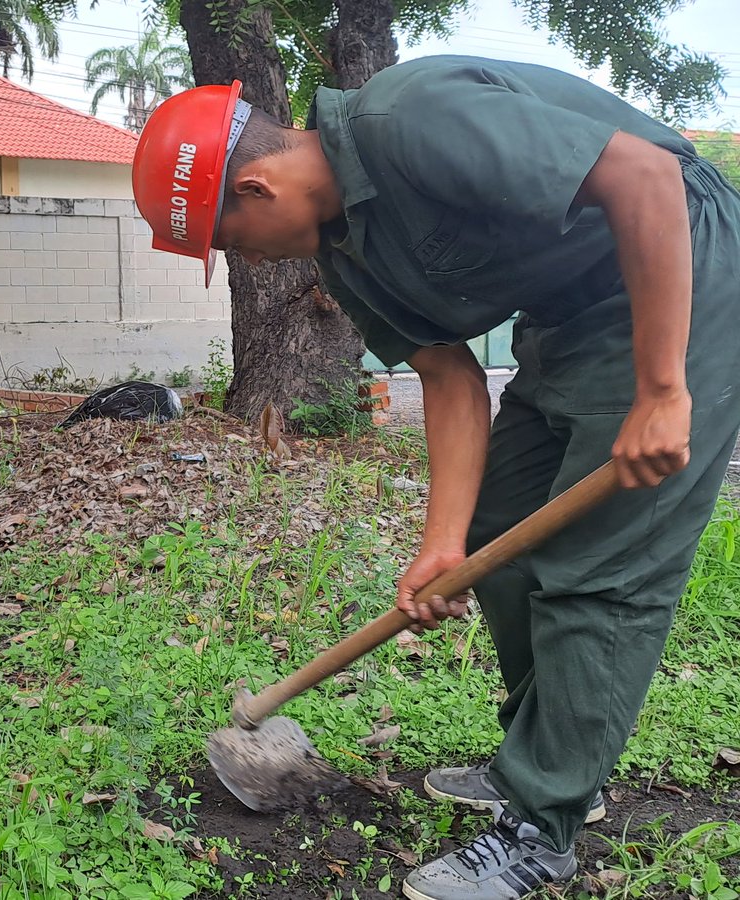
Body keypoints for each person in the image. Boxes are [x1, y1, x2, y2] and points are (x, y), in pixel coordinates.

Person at [130, 56, 740, 899]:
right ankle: (554, 757)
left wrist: (664, 389)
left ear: (259, 189)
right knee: (500, 535)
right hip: (570, 316)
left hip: (687, 273)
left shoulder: (413, 120)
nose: (248, 259)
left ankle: (543, 823)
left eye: (229, 242)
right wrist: (441, 544)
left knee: (600, 567)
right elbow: (450, 377)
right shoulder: (346, 259)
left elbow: (645, 173)